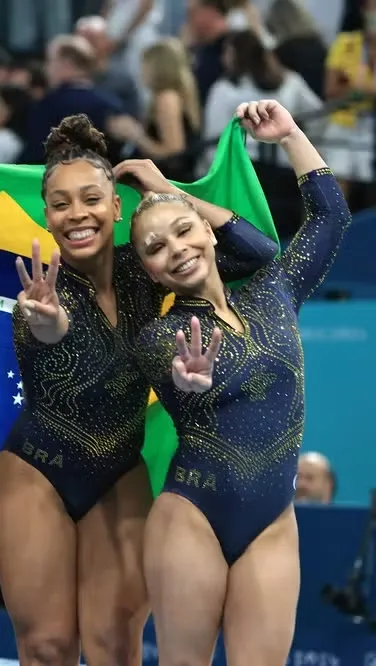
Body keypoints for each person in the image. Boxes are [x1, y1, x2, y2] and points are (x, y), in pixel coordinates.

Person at [0, 113, 279, 666]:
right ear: (46, 215)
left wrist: (168, 192)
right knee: (48, 647)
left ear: (117, 206)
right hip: (35, 472)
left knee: (116, 647)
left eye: (92, 198)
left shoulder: (143, 269)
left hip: (118, 475)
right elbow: (52, 331)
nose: (78, 214)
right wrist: (47, 318)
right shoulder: (39, 295)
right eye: (61, 203)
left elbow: (258, 255)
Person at [128, 99, 350, 666]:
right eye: (155, 249)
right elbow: (179, 380)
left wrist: (290, 134)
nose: (175, 249)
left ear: (206, 227)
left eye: (183, 231)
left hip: (272, 522)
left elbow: (328, 217)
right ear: (149, 271)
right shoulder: (163, 337)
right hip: (191, 516)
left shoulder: (273, 291)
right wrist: (189, 382)